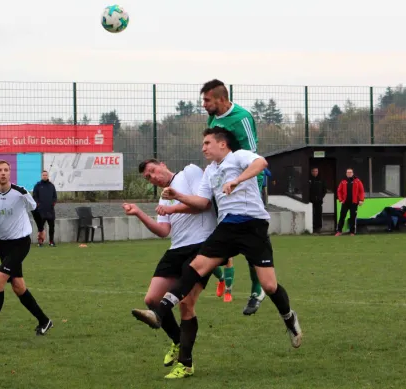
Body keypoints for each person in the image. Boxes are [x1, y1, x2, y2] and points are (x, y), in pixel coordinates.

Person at [131, 127, 303, 350]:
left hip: (253, 225)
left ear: (222, 144)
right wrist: (177, 196)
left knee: (269, 286)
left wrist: (236, 181)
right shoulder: (210, 171)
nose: (203, 148)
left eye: (207, 143)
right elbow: (202, 203)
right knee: (195, 267)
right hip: (227, 227)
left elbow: (261, 163)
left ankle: (289, 318)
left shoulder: (238, 156)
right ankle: (160, 312)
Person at [127, 159, 217, 379]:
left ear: (162, 164)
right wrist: (139, 213)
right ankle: (177, 341)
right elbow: (163, 231)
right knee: (151, 299)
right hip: (176, 248)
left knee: (186, 304)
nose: (153, 177)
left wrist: (174, 203)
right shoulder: (163, 197)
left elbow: (203, 204)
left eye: (153, 171)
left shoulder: (189, 173)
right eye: (148, 177)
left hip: (201, 246)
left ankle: (186, 364)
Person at [201, 79, 265, 314]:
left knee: (251, 243)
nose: (204, 104)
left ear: (221, 98)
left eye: (207, 100)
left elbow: (252, 155)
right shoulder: (213, 119)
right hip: (223, 189)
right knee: (216, 240)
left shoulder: (242, 118)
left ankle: (258, 289)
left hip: (246, 190)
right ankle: (215, 281)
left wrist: (249, 185)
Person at [0, 160, 53, 341]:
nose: (3, 173)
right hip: (4, 244)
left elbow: (35, 211)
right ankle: (44, 320)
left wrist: (41, 230)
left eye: (6, 170)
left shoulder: (20, 192)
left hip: (21, 242)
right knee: (18, 287)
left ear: (10, 173)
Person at [336, 168, 365, 236]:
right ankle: (339, 231)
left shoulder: (357, 181)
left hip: (354, 203)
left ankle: (352, 232)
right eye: (348, 172)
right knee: (342, 217)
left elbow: (361, 191)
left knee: (353, 217)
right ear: (346, 174)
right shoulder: (343, 181)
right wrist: (340, 200)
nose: (349, 173)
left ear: (353, 173)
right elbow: (339, 191)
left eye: (350, 172)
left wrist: (361, 200)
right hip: (345, 203)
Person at [32, 170, 58, 247]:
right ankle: (40, 242)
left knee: (52, 227)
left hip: (50, 211)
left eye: (46, 175)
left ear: (48, 176)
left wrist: (53, 203)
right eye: (43, 175)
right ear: (41, 176)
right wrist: (38, 204)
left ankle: (51, 242)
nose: (45, 176)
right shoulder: (37, 185)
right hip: (41, 211)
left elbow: (55, 197)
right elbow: (35, 196)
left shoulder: (51, 186)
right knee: (40, 228)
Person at [309, 167, 327, 234]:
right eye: (313, 171)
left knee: (318, 214)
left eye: (316, 171)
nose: (315, 172)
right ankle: (312, 228)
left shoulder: (321, 180)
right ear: (311, 172)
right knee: (312, 214)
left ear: (318, 172)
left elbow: (324, 190)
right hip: (310, 201)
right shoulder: (309, 180)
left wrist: (320, 197)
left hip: (319, 201)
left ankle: (318, 228)